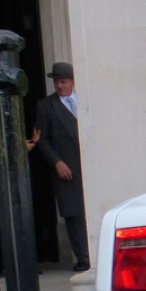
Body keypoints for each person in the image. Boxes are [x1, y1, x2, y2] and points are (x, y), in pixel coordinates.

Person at [33, 61, 90, 271]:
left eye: (63, 81)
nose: (59, 86)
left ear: (73, 82)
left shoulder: (85, 101)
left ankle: (97, 253)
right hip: (65, 167)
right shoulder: (45, 106)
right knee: (73, 213)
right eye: (57, 82)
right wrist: (56, 162)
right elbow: (41, 139)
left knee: (90, 210)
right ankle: (83, 257)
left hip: (89, 166)